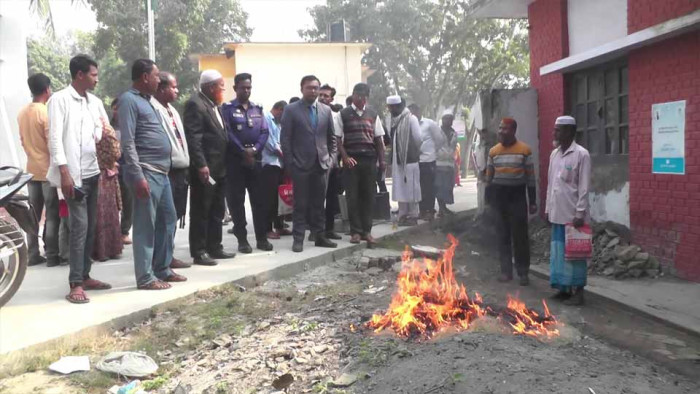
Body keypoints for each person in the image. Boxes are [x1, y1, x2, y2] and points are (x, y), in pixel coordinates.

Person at [48, 54, 112, 303]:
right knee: (80, 228)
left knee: (91, 228)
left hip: (93, 172)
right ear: (80, 75)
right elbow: (54, 139)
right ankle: (75, 283)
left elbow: (101, 131)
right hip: (72, 175)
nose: (97, 79)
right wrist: (64, 172)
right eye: (93, 75)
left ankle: (85, 275)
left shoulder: (94, 102)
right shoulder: (59, 100)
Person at [119, 59, 187, 290]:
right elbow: (127, 142)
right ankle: (145, 277)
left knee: (168, 219)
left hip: (162, 172)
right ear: (145, 77)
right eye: (156, 76)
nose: (159, 80)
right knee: (145, 226)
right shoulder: (129, 100)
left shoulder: (149, 102)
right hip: (146, 172)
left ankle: (162, 268)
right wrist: (137, 175)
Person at [280, 75, 338, 253]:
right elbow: (285, 139)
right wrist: (290, 164)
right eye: (309, 87)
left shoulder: (325, 110)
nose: (313, 91)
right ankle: (298, 239)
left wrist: (331, 160)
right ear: (301, 89)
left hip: (321, 165)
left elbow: (331, 139)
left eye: (315, 88)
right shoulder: (291, 110)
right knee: (300, 204)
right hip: (300, 165)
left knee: (319, 203)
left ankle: (319, 236)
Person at [184, 70, 236, 266]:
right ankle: (199, 251)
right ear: (211, 87)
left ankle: (215, 246)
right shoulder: (195, 104)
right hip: (205, 170)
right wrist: (201, 165)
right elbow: (194, 139)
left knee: (217, 209)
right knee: (201, 210)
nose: (223, 90)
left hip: (220, 168)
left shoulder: (215, 105)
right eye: (221, 86)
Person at [221, 73, 271, 253]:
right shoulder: (226, 109)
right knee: (237, 202)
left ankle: (262, 239)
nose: (246, 90)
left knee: (259, 202)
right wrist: (243, 151)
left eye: (249, 87)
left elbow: (265, 132)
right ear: (235, 88)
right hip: (236, 162)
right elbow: (227, 133)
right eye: (243, 87)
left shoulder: (257, 108)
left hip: (255, 161)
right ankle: (242, 240)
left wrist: (255, 150)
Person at [486, 117, 537, 286]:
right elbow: (489, 178)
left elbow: (530, 178)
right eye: (500, 128)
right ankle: (506, 271)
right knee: (503, 235)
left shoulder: (524, 150)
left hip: (517, 197)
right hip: (500, 198)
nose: (501, 132)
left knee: (520, 236)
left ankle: (523, 272)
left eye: (505, 129)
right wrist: (489, 201)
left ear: (514, 131)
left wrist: (533, 201)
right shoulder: (493, 152)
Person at [546, 115, 591, 306]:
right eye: (555, 129)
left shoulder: (581, 155)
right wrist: (548, 209)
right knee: (559, 253)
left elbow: (584, 186)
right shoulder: (554, 155)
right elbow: (550, 184)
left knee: (576, 256)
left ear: (570, 132)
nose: (554, 133)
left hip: (573, 216)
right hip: (557, 213)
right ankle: (563, 289)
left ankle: (578, 293)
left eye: (558, 130)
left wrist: (580, 213)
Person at [18, 73, 60, 267]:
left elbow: (23, 142)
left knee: (32, 216)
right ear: (47, 89)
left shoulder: (22, 113)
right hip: (47, 172)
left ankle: (33, 254)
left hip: (31, 170)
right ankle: (52, 255)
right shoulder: (45, 112)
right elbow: (52, 144)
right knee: (51, 215)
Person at [337, 83, 385, 245]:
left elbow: (379, 139)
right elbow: (337, 139)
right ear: (353, 95)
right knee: (353, 197)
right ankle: (355, 232)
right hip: (351, 161)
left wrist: (382, 160)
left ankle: (367, 231)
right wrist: (344, 157)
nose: (362, 100)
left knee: (369, 197)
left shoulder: (372, 113)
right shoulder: (343, 114)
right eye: (359, 96)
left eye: (365, 97)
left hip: (369, 160)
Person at [152, 71, 191, 269]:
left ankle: (169, 254)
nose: (177, 90)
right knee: (165, 217)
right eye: (173, 87)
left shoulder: (172, 110)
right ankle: (161, 258)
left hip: (181, 169)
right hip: (167, 170)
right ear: (161, 88)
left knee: (174, 215)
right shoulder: (154, 109)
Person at [91, 110, 123, 263]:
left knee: (97, 213)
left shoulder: (85, 126)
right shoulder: (105, 128)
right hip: (105, 174)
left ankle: (97, 250)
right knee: (108, 212)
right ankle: (110, 249)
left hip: (90, 173)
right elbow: (115, 152)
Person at [387, 95, 422, 226]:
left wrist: (412, 151)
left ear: (399, 106)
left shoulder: (411, 119)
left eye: (392, 107)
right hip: (398, 160)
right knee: (400, 187)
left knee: (411, 187)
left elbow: (418, 139)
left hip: (410, 159)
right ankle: (402, 214)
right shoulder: (394, 121)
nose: (390, 110)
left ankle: (413, 215)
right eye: (389, 107)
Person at [316, 83, 343, 241]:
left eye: (326, 96)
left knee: (332, 196)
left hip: (334, 161)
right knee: (317, 197)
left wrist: (335, 160)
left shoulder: (336, 115)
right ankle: (316, 230)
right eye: (321, 95)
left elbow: (338, 139)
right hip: (317, 161)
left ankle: (329, 229)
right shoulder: (312, 112)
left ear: (332, 98)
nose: (323, 98)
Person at [408, 103, 444, 221]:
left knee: (429, 187)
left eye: (414, 112)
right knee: (419, 188)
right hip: (416, 161)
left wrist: (432, 152)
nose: (412, 115)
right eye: (410, 113)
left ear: (419, 111)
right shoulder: (409, 125)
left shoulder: (429, 123)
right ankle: (422, 211)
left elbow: (439, 140)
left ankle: (430, 210)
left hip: (428, 160)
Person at [260, 100, 290, 240]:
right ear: (279, 109)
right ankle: (266, 228)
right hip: (269, 163)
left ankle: (279, 225)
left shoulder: (278, 123)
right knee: (269, 198)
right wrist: (284, 154)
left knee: (279, 197)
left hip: (279, 164)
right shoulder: (266, 117)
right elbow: (269, 142)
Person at [112, 98, 133, 246]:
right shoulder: (108, 126)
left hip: (127, 167)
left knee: (128, 201)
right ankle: (113, 232)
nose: (117, 112)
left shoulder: (130, 124)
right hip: (111, 168)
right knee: (113, 203)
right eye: (115, 109)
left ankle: (124, 231)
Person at [435, 111, 458, 217]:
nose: (449, 121)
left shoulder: (454, 133)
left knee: (449, 186)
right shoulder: (437, 131)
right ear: (442, 119)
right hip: (439, 163)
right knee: (440, 186)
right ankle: (441, 209)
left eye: (451, 119)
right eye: (446, 118)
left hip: (450, 163)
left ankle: (444, 208)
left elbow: (453, 148)